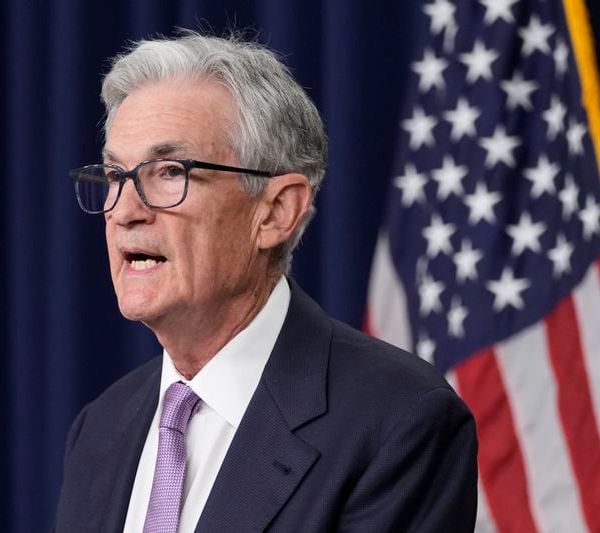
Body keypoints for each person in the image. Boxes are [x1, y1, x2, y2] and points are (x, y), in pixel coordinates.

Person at [55, 31, 477, 532]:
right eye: (114, 175)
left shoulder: (398, 420)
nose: (124, 210)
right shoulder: (101, 428)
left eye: (168, 172)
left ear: (276, 211)